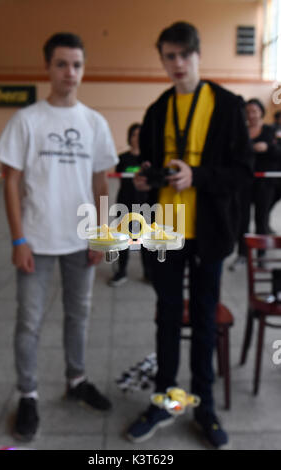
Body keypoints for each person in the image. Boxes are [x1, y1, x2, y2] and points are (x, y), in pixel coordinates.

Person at [126, 22, 253, 449]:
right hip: (164, 234)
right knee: (165, 318)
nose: (177, 64)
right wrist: (145, 181)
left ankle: (204, 408)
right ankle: (163, 401)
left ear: (198, 55)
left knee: (202, 320)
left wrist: (195, 175)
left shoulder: (227, 105)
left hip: (208, 235)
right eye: (169, 56)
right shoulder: (158, 108)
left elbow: (241, 174)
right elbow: (146, 166)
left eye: (184, 55)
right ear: (162, 59)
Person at [0, 32, 118, 442]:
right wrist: (17, 240)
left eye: (77, 65)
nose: (70, 72)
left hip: (80, 242)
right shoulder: (27, 119)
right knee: (28, 323)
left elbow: (101, 183)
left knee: (78, 316)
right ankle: (28, 394)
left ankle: (76, 379)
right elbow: (11, 181)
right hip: (37, 241)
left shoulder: (94, 123)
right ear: (47, 67)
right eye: (62, 64)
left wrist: (101, 236)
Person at [230, 99, 281, 270]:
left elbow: (278, 153)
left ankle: (261, 254)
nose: (251, 114)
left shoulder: (270, 130)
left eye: (254, 111)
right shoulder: (240, 131)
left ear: (261, 112)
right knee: (242, 219)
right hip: (244, 182)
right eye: (248, 111)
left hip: (265, 183)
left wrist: (267, 148)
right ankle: (242, 254)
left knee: (262, 218)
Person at [108, 123, 151, 286]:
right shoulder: (123, 158)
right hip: (125, 202)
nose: (137, 138)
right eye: (134, 134)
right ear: (129, 137)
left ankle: (148, 272)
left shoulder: (149, 159)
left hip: (146, 204)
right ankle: (121, 272)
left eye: (141, 134)